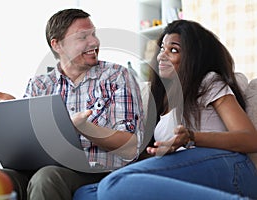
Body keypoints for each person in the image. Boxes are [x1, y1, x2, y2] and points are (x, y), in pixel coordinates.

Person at [73, 19, 257, 199]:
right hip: (187, 173)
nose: (161, 55)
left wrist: (192, 137)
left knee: (114, 185)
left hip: (230, 168)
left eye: (173, 50)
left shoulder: (208, 82)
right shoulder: (162, 99)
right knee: (86, 194)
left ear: (193, 58)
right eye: (162, 48)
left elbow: (250, 139)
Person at [0, 8, 144, 200]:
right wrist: (13, 118)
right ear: (57, 45)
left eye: (93, 34)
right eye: (83, 37)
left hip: (95, 172)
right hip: (38, 168)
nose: (94, 42)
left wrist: (85, 128)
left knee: (47, 177)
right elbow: (29, 145)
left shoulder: (117, 76)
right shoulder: (39, 84)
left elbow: (130, 147)